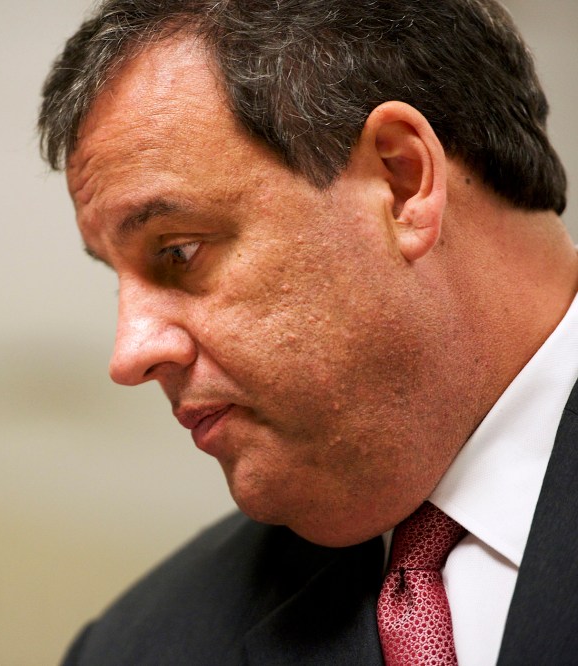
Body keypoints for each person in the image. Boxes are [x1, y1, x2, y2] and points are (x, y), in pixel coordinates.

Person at [38, 1, 578, 664]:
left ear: (402, 182)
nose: (130, 354)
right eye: (116, 279)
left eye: (178, 251)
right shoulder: (139, 647)